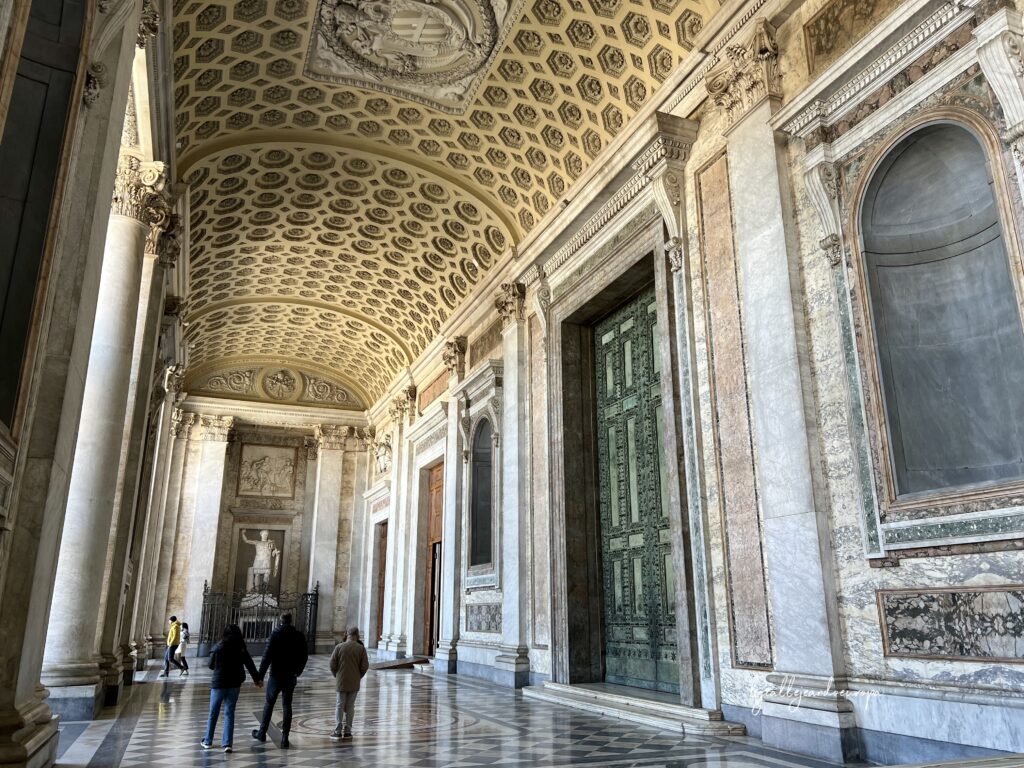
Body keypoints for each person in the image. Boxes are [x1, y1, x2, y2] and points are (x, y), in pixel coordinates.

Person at [202, 624, 262, 753]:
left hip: (219, 683)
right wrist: (257, 679)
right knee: (229, 713)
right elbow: (250, 664)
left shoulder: (219, 645)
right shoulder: (240, 647)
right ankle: (227, 743)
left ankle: (208, 741)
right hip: (234, 684)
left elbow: (210, 665)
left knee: (213, 713)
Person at [251, 613, 308, 749]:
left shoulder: (275, 634)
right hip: (290, 676)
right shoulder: (298, 635)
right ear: (291, 620)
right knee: (287, 705)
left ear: (280, 621)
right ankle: (285, 739)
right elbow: (304, 656)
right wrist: (297, 671)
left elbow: (267, 657)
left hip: (276, 675)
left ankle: (262, 732)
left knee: (269, 704)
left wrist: (259, 677)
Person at [329, 626, 369, 740]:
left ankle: (337, 731)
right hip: (354, 681)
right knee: (350, 706)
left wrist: (336, 675)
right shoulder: (361, 649)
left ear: (347, 634)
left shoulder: (339, 647)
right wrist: (358, 676)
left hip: (341, 680)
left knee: (339, 705)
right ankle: (348, 731)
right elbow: (365, 666)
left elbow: (332, 664)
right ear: (357, 635)